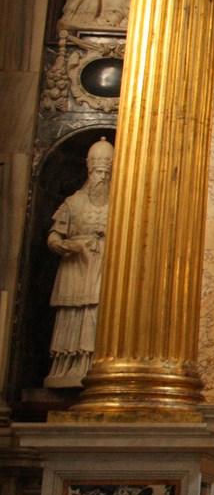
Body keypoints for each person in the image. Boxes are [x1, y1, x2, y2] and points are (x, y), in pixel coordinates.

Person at [45, 137, 113, 388]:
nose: (101, 178)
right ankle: (66, 367)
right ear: (89, 169)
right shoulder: (73, 202)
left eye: (106, 172)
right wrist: (60, 245)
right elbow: (55, 233)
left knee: (96, 313)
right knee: (72, 315)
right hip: (75, 267)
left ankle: (95, 362)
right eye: (98, 171)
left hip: (103, 266)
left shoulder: (120, 203)